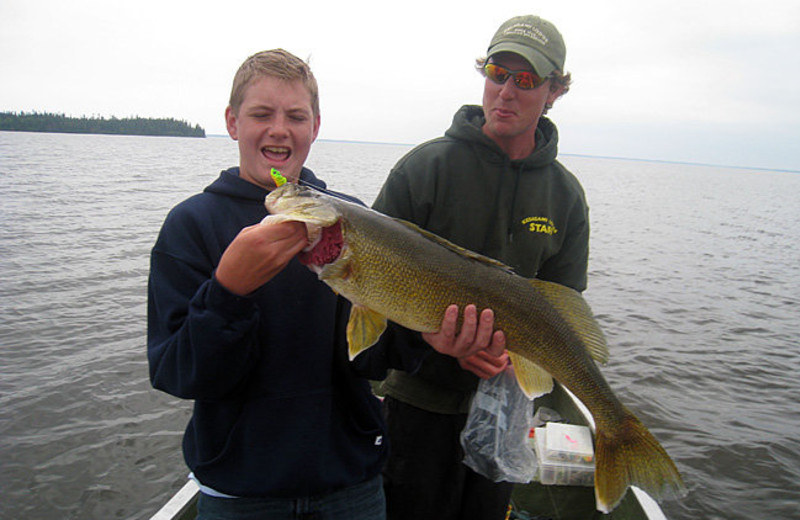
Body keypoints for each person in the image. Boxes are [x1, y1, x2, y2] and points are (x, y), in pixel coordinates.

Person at [147, 49, 502, 520]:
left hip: (350, 486)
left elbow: (368, 358)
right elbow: (177, 373)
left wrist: (423, 334)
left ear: (315, 127)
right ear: (232, 123)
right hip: (241, 492)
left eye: (296, 116)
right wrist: (228, 292)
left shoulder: (348, 220)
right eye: (261, 114)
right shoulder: (191, 226)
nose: (279, 129)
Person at [373, 15, 589, 520]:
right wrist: (429, 342)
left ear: (554, 91)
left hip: (505, 413)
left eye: (527, 80)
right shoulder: (423, 170)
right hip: (419, 406)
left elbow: (564, 308)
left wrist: (512, 362)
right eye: (497, 73)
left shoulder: (566, 196)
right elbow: (371, 290)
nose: (506, 92)